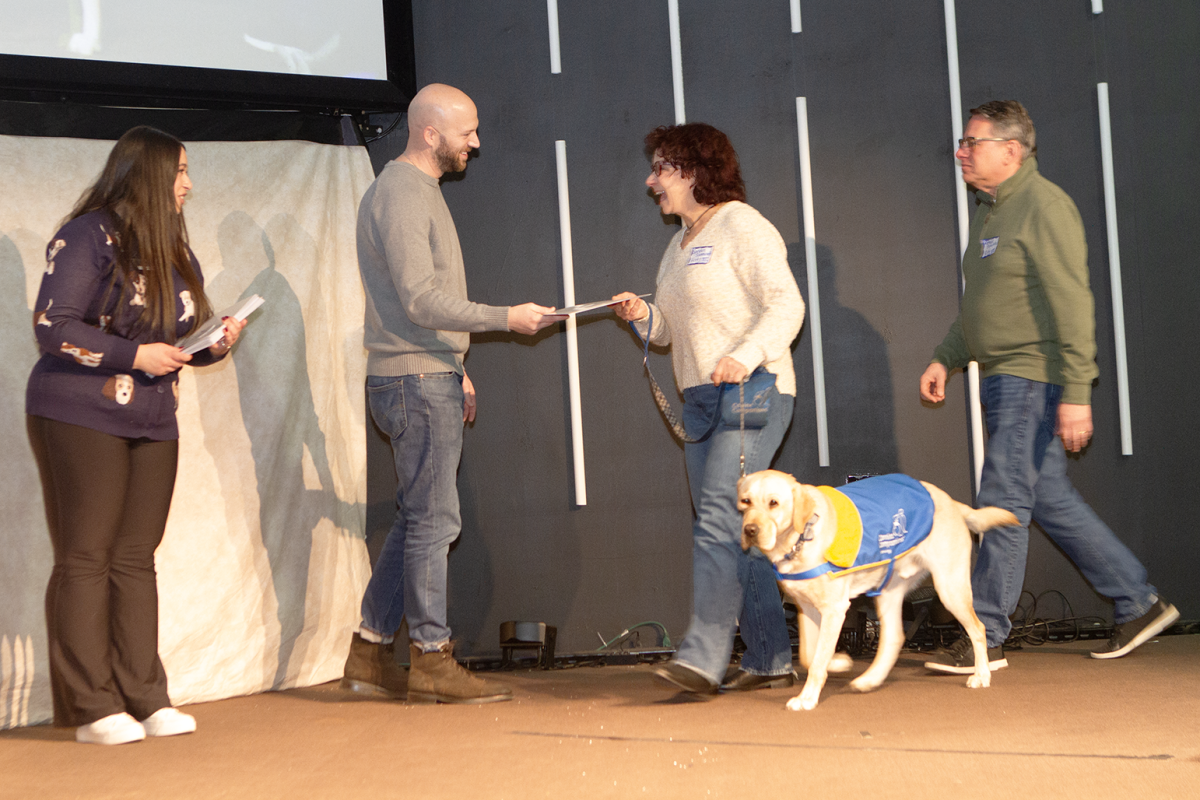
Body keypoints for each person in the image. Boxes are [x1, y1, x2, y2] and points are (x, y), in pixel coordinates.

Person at [919, 100, 1178, 674]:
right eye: (962, 144)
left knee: (1003, 502)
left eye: (972, 143)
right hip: (1002, 378)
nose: (961, 152)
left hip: (1032, 378)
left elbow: (1072, 302)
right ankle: (1138, 602)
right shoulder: (990, 214)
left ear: (1011, 150)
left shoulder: (1044, 206)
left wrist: (1078, 393)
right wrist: (947, 357)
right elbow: (981, 309)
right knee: (1050, 501)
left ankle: (985, 633)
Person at [26, 126, 246, 745]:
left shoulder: (173, 246)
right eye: (180, 172)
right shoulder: (88, 234)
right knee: (86, 557)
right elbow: (54, 326)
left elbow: (177, 343)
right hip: (79, 412)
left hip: (153, 418)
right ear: (149, 174)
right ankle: (92, 708)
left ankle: (145, 697)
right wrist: (133, 356)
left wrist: (214, 342)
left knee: (134, 559)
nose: (188, 184)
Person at [344, 83, 562, 704]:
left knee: (419, 517)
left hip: (423, 371)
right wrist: (505, 318)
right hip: (414, 378)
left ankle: (368, 651)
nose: (476, 142)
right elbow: (418, 298)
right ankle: (432, 656)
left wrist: (455, 363)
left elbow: (413, 305)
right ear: (430, 132)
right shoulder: (404, 194)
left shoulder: (414, 192)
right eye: (467, 131)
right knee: (435, 522)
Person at [613, 123, 805, 694]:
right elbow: (673, 333)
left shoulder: (741, 225)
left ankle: (702, 654)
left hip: (754, 389)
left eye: (660, 169)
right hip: (700, 401)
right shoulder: (675, 248)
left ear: (693, 171)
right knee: (732, 528)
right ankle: (770, 658)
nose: (651, 182)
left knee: (721, 517)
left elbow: (786, 304)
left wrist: (745, 355)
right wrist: (644, 317)